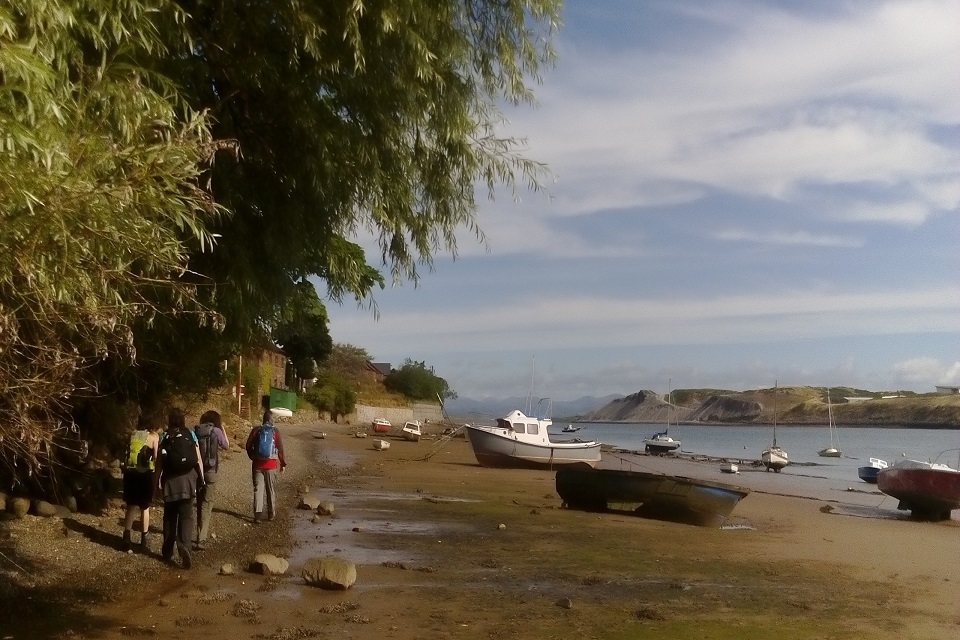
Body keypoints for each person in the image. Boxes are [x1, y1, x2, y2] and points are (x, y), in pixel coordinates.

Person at [155, 408, 204, 569]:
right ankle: (185, 546)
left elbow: (159, 463)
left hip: (170, 482)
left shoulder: (165, 436)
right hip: (188, 481)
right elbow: (197, 459)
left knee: (169, 516)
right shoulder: (190, 433)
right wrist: (201, 479)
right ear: (183, 420)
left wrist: (156, 483)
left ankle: (168, 550)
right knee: (186, 516)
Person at [121, 415, 160, 552]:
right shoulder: (154, 437)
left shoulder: (132, 435)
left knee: (131, 506)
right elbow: (156, 457)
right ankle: (144, 538)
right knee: (145, 507)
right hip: (145, 474)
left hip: (131, 473)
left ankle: (126, 536)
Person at [193, 409, 229, 550]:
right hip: (212, 471)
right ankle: (201, 537)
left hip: (198, 472)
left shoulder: (196, 430)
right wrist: (223, 430)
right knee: (207, 504)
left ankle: (199, 532)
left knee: (200, 501)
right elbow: (226, 445)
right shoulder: (217, 431)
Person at [245, 410, 286, 524]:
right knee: (270, 490)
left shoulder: (256, 430)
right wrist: (282, 464)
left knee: (258, 490)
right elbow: (280, 449)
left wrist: (253, 456)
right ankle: (271, 514)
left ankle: (257, 516)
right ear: (272, 420)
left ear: (263, 419)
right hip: (271, 465)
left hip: (257, 465)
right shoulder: (275, 431)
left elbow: (248, 445)